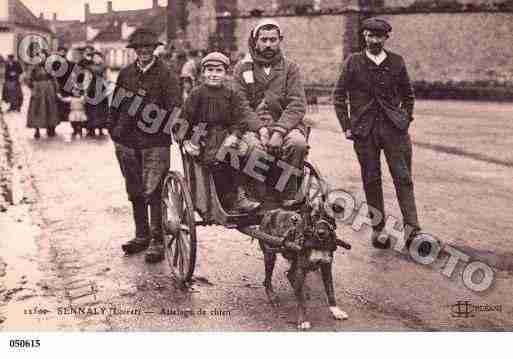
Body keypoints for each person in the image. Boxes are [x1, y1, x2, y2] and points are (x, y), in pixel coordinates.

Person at [333, 18, 420, 249]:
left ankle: (413, 230)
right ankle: (378, 230)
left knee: (403, 178)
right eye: (370, 35)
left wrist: (404, 119)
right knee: (371, 180)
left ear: (386, 38)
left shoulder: (397, 62)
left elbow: (408, 95)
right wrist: (347, 126)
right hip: (364, 131)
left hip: (394, 130)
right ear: (364, 36)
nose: (374, 40)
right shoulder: (353, 62)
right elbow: (338, 97)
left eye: (379, 36)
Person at [108, 28, 182, 263]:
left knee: (154, 190)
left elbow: (175, 106)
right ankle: (141, 235)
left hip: (155, 142)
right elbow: (115, 104)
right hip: (127, 141)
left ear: (154, 49)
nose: (143, 52)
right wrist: (114, 129)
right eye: (139, 49)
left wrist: (163, 127)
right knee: (135, 190)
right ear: (134, 51)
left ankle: (157, 240)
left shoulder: (166, 75)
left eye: (148, 48)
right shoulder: (126, 73)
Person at [232, 19, 308, 207]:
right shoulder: (243, 68)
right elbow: (240, 105)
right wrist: (261, 129)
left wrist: (279, 131)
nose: (268, 44)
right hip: (251, 127)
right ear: (255, 41)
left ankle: (288, 192)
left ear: (279, 40)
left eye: (273, 40)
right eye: (264, 39)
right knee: (254, 149)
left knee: (297, 143)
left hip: (284, 125)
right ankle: (258, 195)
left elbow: (297, 103)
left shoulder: (290, 68)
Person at [181, 51, 260, 213]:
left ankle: (241, 194)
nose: (214, 75)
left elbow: (240, 120)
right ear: (203, 73)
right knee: (219, 159)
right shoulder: (197, 94)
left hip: (226, 135)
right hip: (203, 137)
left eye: (218, 71)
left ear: (225, 73)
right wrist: (186, 140)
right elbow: (184, 120)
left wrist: (235, 135)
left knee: (243, 152)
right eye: (209, 70)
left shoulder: (231, 93)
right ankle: (229, 199)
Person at [26, 50, 60, 139]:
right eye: (40, 56)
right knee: (37, 108)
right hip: (38, 89)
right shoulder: (33, 67)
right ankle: (37, 129)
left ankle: (51, 128)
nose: (41, 58)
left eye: (43, 56)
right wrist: (32, 87)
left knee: (50, 108)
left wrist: (56, 89)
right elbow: (28, 78)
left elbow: (54, 78)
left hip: (49, 88)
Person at [86, 51, 109, 137]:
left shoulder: (104, 67)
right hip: (92, 89)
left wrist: (107, 88)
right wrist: (86, 90)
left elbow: (107, 78)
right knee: (91, 108)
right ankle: (91, 129)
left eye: (98, 57)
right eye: (94, 57)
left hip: (101, 88)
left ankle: (100, 128)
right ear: (92, 59)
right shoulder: (89, 67)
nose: (96, 59)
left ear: (101, 58)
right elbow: (87, 78)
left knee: (102, 109)